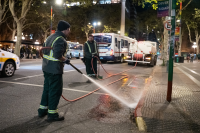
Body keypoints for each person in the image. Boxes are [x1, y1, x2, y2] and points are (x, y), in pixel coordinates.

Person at [38, 20, 71, 122]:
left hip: (46, 68)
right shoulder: (60, 39)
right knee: (55, 91)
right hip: (54, 70)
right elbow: (57, 55)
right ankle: (52, 114)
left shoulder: (50, 36)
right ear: (65, 30)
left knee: (47, 89)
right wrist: (65, 60)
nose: (69, 31)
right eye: (69, 29)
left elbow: (46, 51)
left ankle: (42, 110)